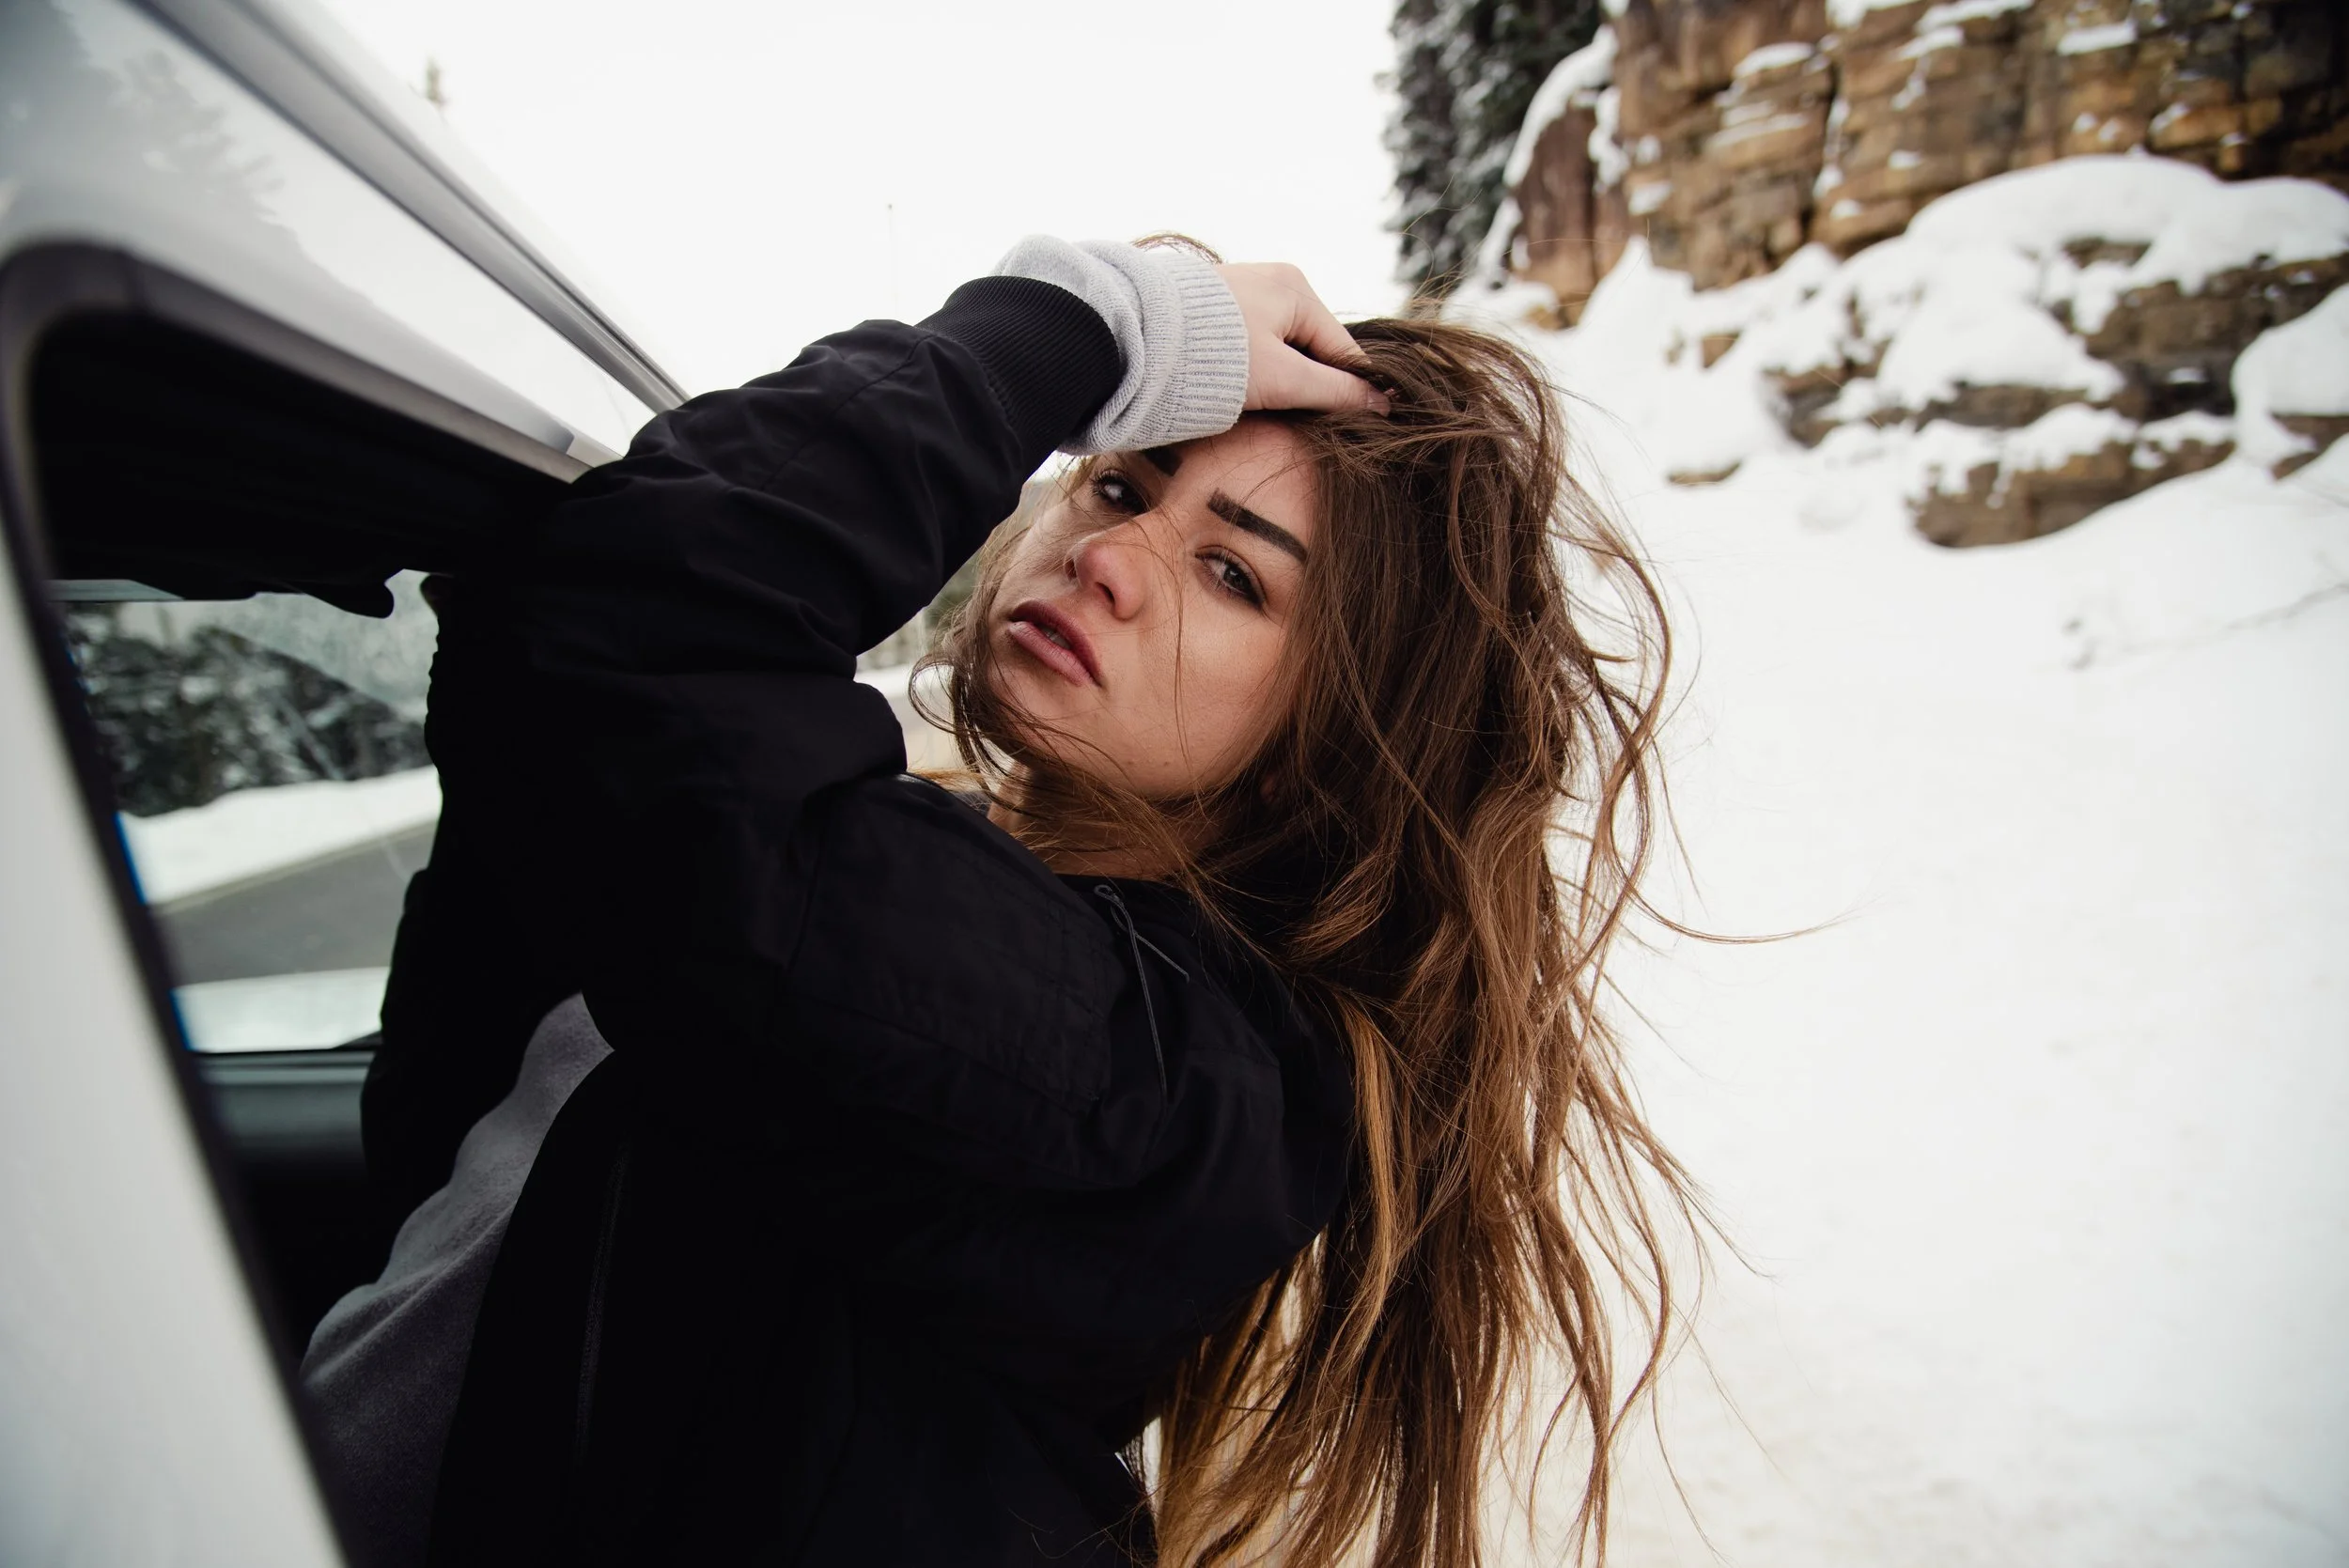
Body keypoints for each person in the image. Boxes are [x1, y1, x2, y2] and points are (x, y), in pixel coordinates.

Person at [302, 237, 1698, 1568]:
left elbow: (640, 637)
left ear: (1322, 749)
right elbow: (472, 1151)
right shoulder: (935, 878)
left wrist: (1078, 328)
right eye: (1123, 484)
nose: (1114, 555)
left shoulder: (1161, 1076)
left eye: (1233, 572)